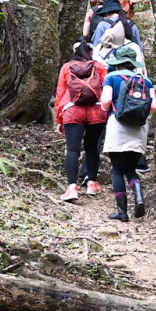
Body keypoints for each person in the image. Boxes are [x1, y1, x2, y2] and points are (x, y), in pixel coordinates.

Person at [99, 44, 155, 222]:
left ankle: (122, 212)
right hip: (139, 128)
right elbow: (153, 106)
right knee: (131, 169)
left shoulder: (111, 77)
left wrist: (106, 108)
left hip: (117, 125)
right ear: (133, 63)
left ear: (118, 63)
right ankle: (138, 194)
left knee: (117, 169)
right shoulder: (145, 80)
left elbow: (106, 100)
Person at [52, 39, 108, 202]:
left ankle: (71, 188)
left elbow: (60, 94)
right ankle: (91, 183)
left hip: (72, 110)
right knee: (92, 148)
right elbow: (105, 90)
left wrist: (59, 119)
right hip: (96, 111)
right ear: (91, 52)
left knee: (72, 149)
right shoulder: (99, 67)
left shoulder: (66, 68)